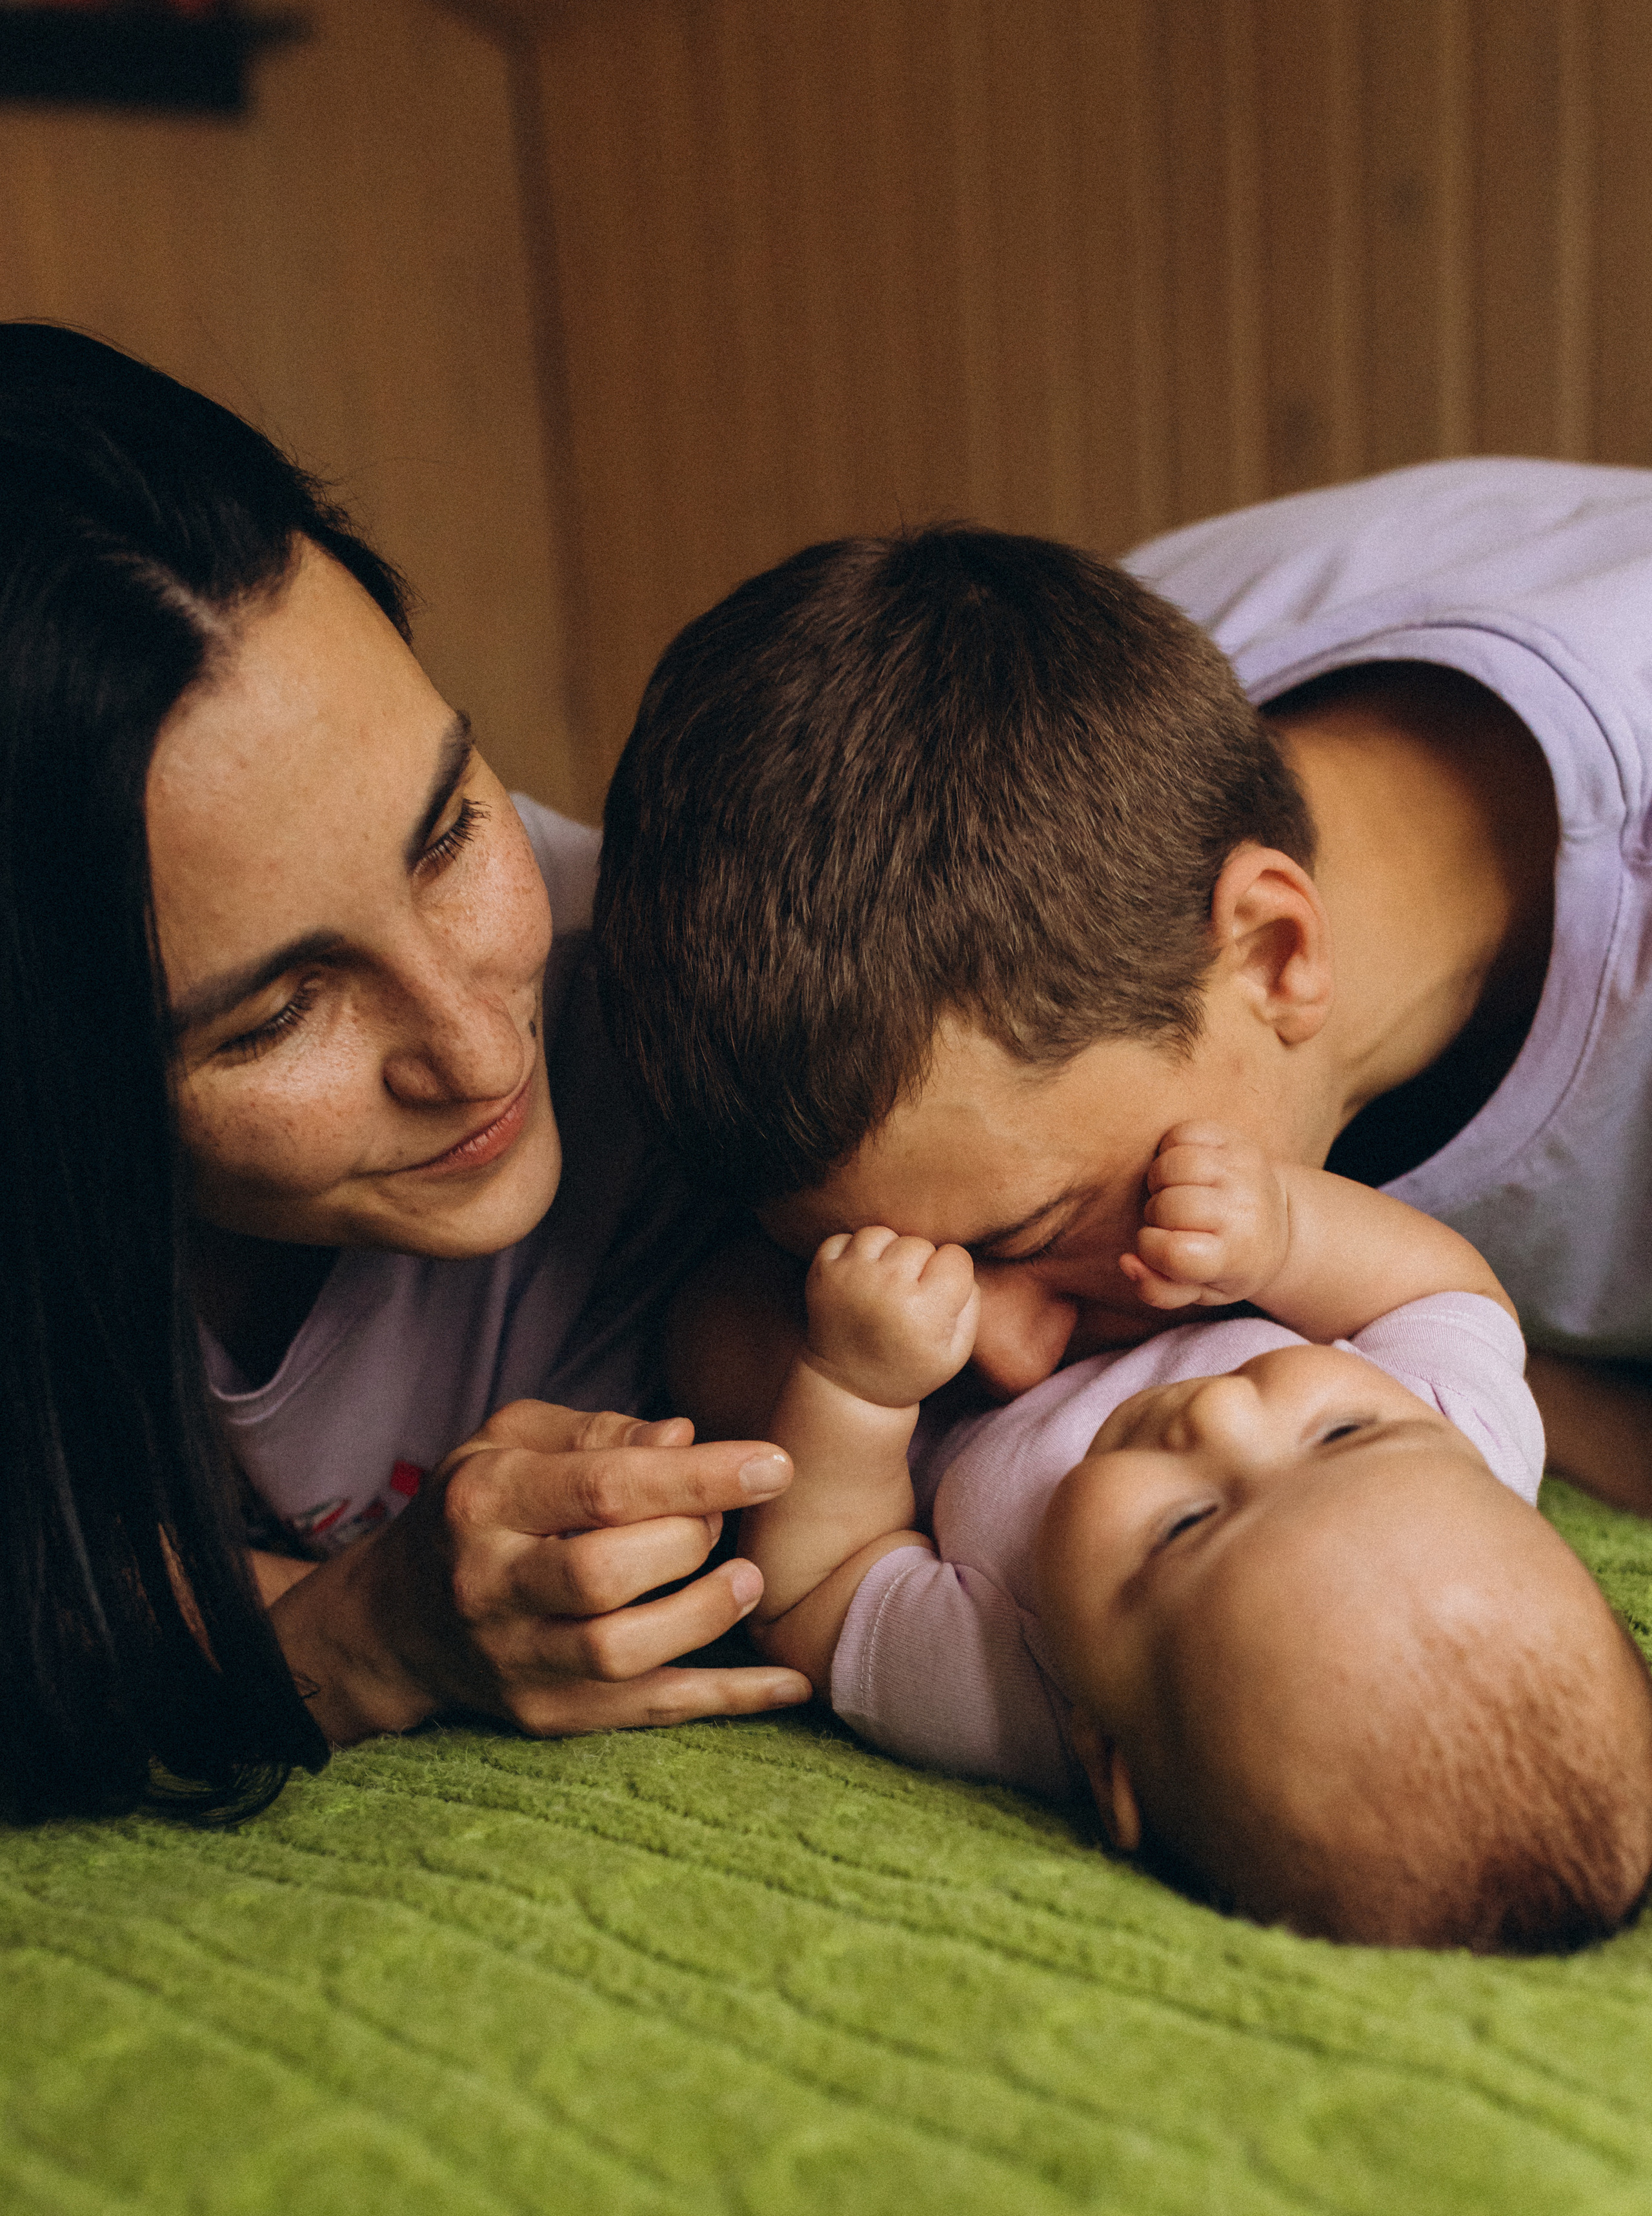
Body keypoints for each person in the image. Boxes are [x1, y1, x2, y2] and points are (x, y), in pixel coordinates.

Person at [0, 323, 808, 1827]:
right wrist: (366, 1635)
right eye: (269, 1018)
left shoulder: (720, 1004)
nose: (479, 1047)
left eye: (447, 832)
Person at [593, 510, 1652, 1510]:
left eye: (1035, 1234)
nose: (1006, 1362)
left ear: (1273, 952)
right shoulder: (1015, 695)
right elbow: (715, 1321)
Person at [736, 1122, 1652, 1952]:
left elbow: (813, 1590)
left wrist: (857, 1391)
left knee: (722, 1341)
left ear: (1109, 1762)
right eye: (1342, 1435)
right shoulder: (1472, 1433)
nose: (1222, 1416)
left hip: (923, 1349)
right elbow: (1445, 1291)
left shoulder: (1013, 1689)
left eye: (1183, 1526)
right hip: (1130, 1251)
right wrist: (1286, 1234)